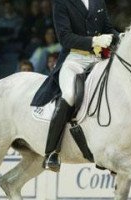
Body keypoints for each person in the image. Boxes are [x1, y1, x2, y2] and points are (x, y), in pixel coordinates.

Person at [31, 0, 119, 172]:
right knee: (70, 95)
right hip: (74, 59)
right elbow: (65, 38)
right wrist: (94, 40)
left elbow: (108, 29)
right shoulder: (62, 3)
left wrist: (120, 36)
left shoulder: (98, 1)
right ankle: (51, 152)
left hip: (99, 58)